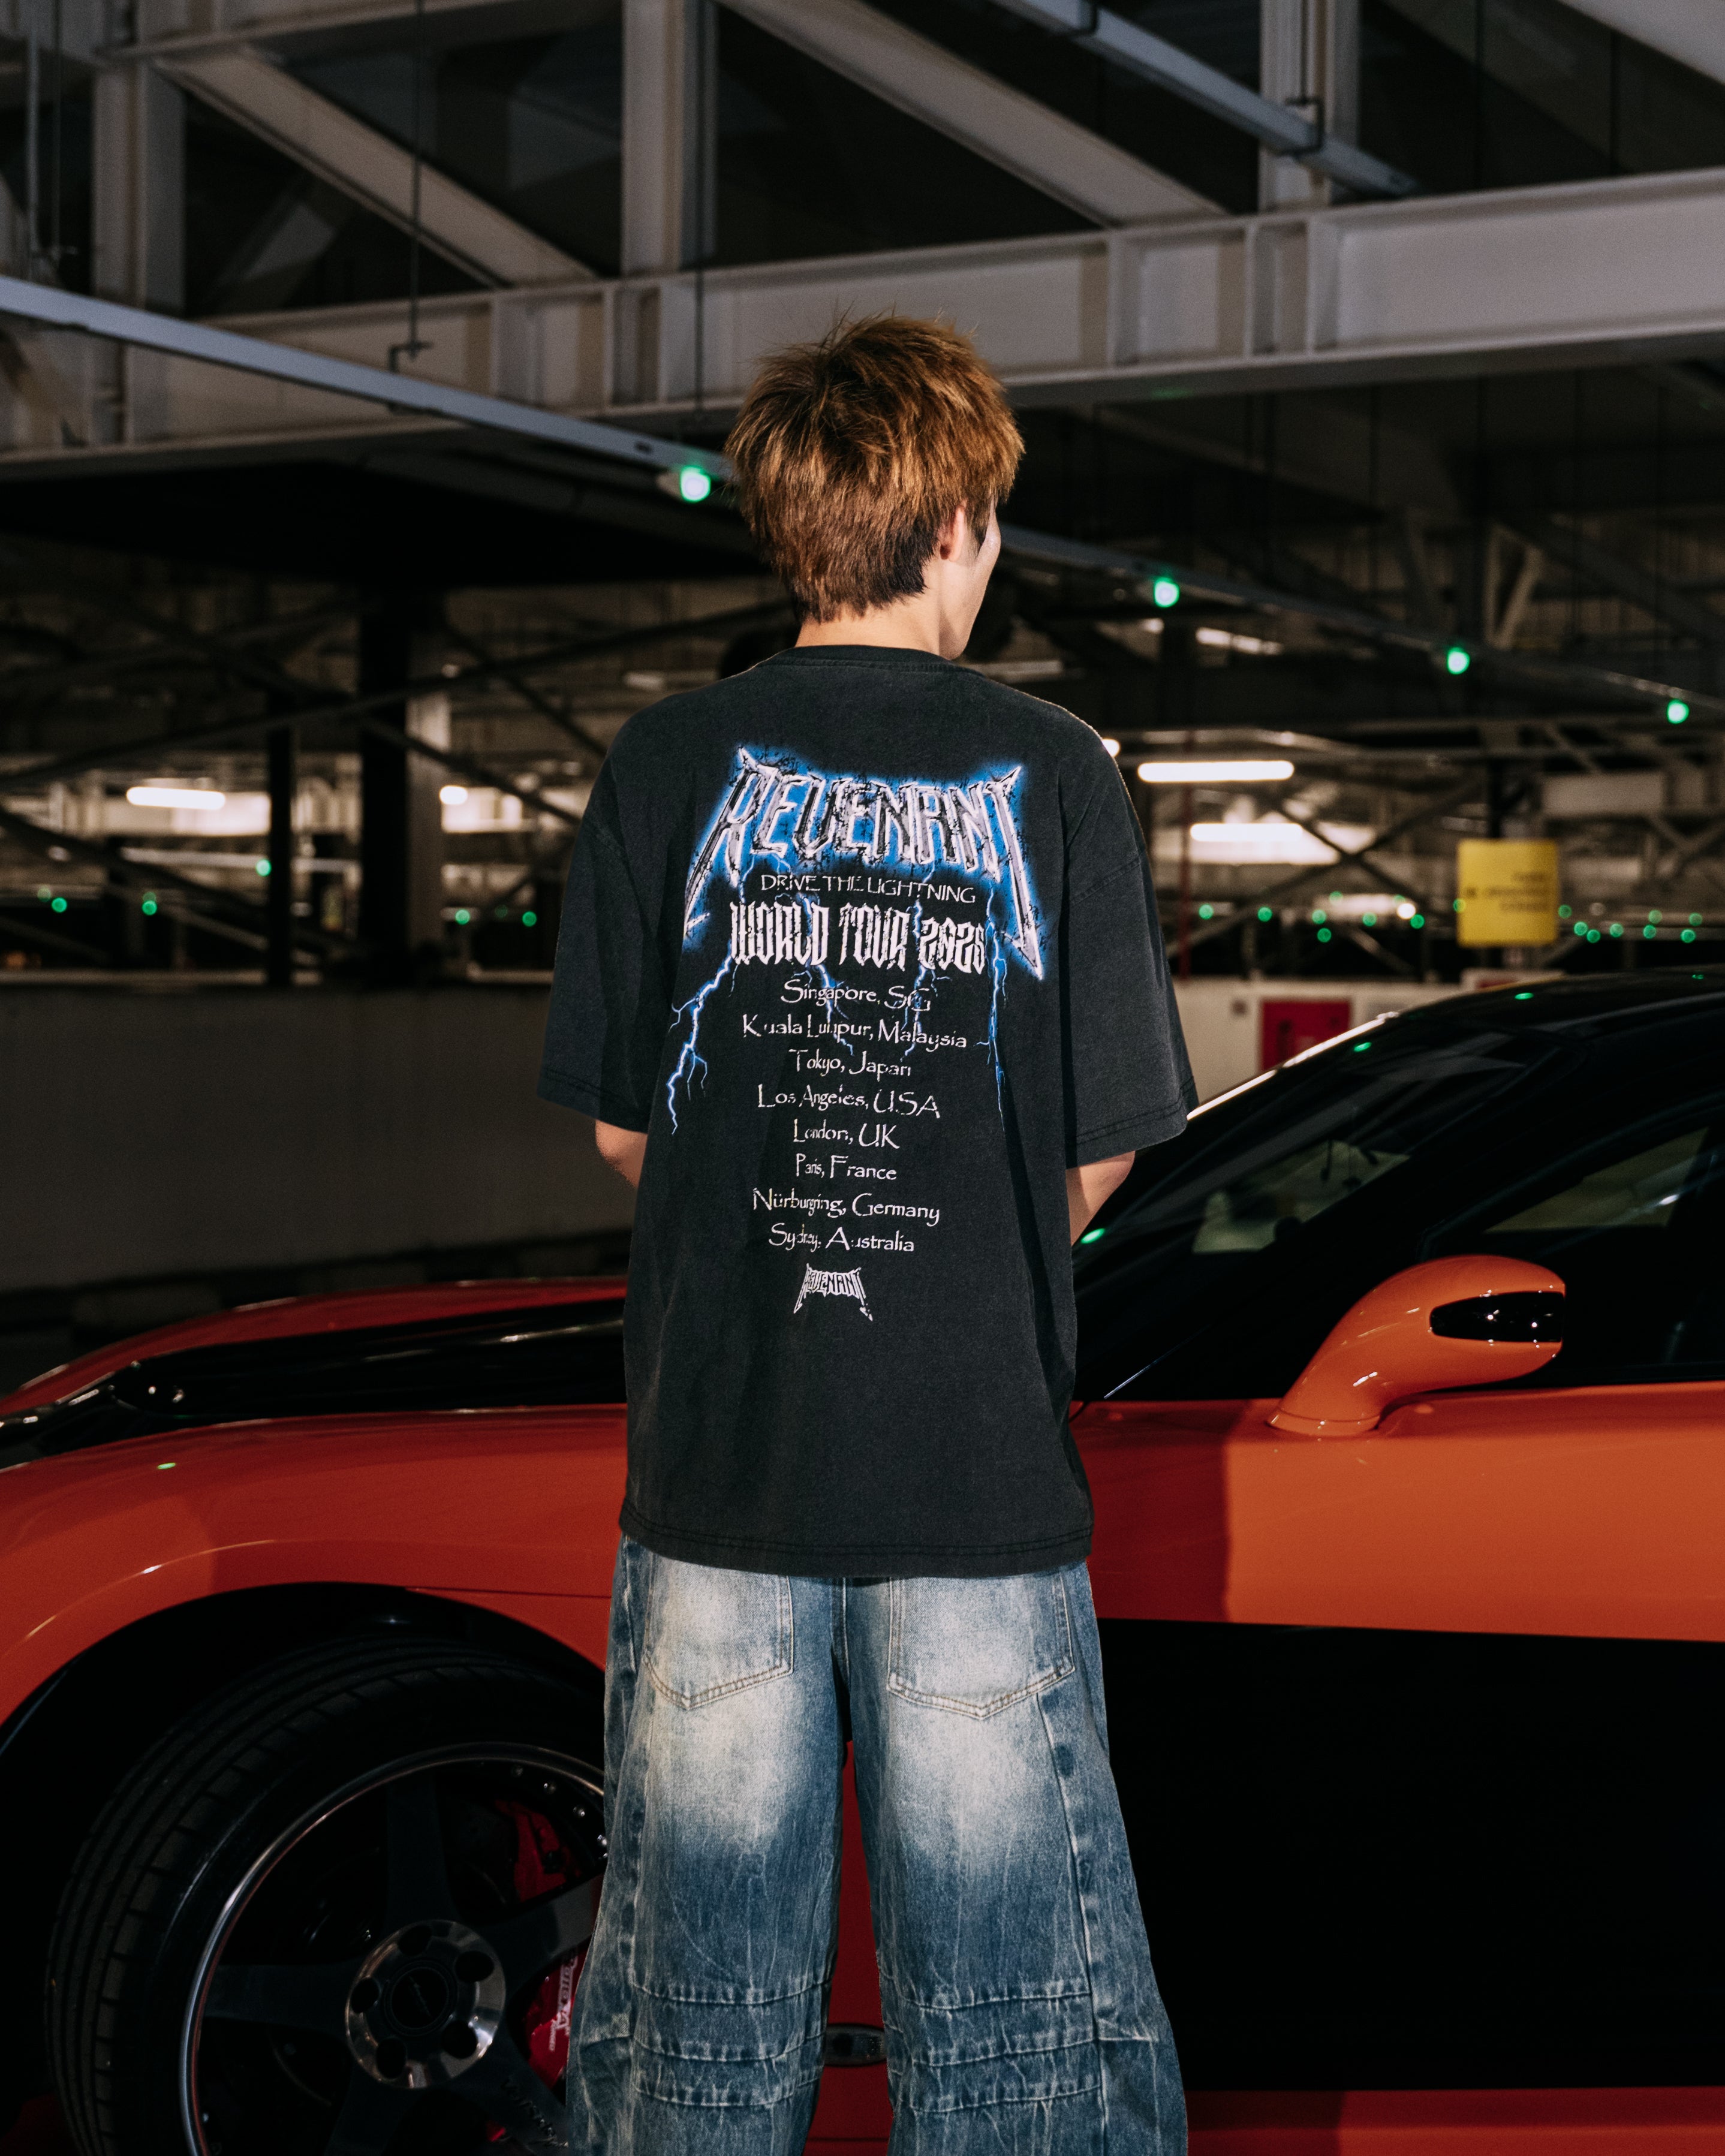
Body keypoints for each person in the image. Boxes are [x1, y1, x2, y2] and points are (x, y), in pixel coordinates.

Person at [538, 314, 1196, 2155]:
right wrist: (959, 1241)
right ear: (961, 523)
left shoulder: (665, 761)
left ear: (794, 525)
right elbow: (1105, 1146)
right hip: (974, 1488)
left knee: (693, 2047)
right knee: (1017, 2054)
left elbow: (625, 1125)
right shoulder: (1053, 770)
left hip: (720, 1483)